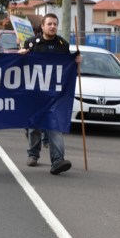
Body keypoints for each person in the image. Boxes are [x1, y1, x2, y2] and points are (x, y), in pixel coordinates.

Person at [18, 12, 81, 175]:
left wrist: (76, 62)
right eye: (49, 24)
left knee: (55, 126)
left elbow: (67, 68)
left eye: (55, 24)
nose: (53, 26)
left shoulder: (62, 45)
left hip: (55, 94)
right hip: (35, 92)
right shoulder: (32, 43)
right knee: (34, 126)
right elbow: (22, 68)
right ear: (43, 26)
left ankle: (58, 160)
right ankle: (33, 154)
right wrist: (21, 56)